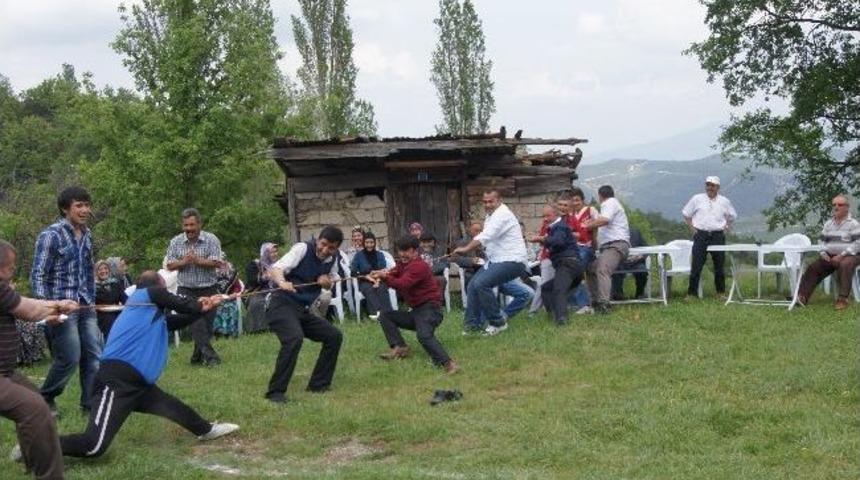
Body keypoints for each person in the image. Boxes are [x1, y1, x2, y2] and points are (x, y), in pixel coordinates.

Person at [59, 271, 239, 459]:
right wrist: (199, 304)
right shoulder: (149, 294)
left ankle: (206, 430)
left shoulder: (147, 314)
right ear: (158, 285)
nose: (167, 292)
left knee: (171, 406)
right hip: (116, 381)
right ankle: (37, 445)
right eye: (165, 288)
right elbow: (182, 304)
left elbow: (176, 320)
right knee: (93, 446)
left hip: (138, 384)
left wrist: (205, 308)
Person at [1, 239, 75, 480]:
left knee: (37, 401)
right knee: (35, 410)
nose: (13, 271)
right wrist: (59, 306)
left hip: (6, 373)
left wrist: (51, 310)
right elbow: (30, 310)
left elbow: (25, 308)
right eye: (12, 267)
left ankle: (32, 461)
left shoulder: (3, 291)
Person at [31, 186, 102, 416]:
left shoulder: (88, 234)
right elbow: (38, 274)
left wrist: (92, 298)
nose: (85, 210)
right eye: (79, 205)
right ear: (65, 209)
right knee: (70, 357)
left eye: (87, 205)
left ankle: (90, 406)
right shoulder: (50, 235)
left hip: (85, 304)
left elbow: (88, 271)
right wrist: (48, 308)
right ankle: (46, 398)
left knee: (94, 355)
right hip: (61, 307)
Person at [264, 226, 344, 404]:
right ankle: (275, 393)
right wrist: (283, 282)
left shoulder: (334, 259)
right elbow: (275, 269)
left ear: (336, 248)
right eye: (323, 244)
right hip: (281, 304)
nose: (325, 250)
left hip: (302, 310)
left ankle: (318, 385)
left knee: (334, 336)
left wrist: (326, 282)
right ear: (318, 240)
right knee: (294, 338)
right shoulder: (302, 248)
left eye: (331, 248)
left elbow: (330, 281)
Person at [371, 236, 459, 373]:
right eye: (400, 251)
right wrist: (381, 273)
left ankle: (448, 363)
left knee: (423, 336)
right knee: (385, 316)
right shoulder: (403, 264)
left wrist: (385, 277)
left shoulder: (419, 266)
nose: (402, 254)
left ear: (415, 251)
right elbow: (394, 273)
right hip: (417, 311)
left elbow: (403, 284)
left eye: (406, 251)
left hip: (431, 310)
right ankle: (400, 347)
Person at [453, 189, 531, 335]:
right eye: (485, 201)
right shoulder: (491, 216)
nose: (487, 204)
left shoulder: (503, 214)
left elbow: (485, 236)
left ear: (499, 200)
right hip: (496, 261)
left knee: (482, 283)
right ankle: (472, 326)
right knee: (472, 286)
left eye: (491, 201)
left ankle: (498, 322)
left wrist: (465, 249)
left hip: (513, 261)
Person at [165, 208, 223, 367]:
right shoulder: (175, 241)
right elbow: (169, 265)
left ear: (199, 224)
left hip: (209, 288)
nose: (188, 229)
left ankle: (196, 357)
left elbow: (217, 262)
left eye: (192, 225)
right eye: (185, 225)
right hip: (186, 289)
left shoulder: (212, 239)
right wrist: (183, 262)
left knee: (207, 326)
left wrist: (198, 261)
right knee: (196, 321)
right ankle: (212, 358)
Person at [796, 194, 860, 310]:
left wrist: (842, 255)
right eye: (834, 205)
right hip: (830, 256)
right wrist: (823, 253)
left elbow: (858, 244)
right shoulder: (828, 224)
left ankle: (843, 299)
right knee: (814, 267)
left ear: (847, 207)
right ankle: (801, 297)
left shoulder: (853, 224)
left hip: (851, 255)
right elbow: (821, 240)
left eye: (840, 205)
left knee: (845, 264)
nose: (836, 207)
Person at [682, 176, 737, 298]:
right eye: (708, 185)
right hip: (700, 234)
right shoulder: (697, 199)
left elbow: (732, 215)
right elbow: (686, 213)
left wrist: (726, 226)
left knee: (719, 266)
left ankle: (720, 293)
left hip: (717, 235)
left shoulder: (724, 201)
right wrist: (692, 228)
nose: (709, 188)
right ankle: (691, 294)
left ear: (718, 187)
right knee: (696, 265)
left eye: (712, 185)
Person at [582, 185, 630, 314]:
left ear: (600, 196)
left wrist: (586, 226)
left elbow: (604, 220)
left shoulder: (609, 202)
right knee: (590, 268)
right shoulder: (613, 204)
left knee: (602, 269)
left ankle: (604, 304)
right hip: (610, 246)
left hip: (616, 245)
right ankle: (595, 301)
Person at [534, 208, 584, 325]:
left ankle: (562, 319)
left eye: (548, 216)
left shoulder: (559, 226)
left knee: (558, 289)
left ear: (556, 215)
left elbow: (559, 241)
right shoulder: (555, 228)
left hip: (568, 264)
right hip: (572, 266)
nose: (545, 219)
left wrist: (542, 239)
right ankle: (553, 315)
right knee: (546, 288)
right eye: (543, 216)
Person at [567, 188, 599, 314]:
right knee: (578, 273)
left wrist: (595, 242)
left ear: (582, 200)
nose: (575, 203)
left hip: (587, 247)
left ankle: (584, 304)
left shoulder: (590, 210)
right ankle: (581, 302)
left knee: (576, 271)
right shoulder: (571, 216)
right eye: (573, 201)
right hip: (574, 248)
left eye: (577, 200)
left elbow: (598, 224)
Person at [349, 232, 394, 319]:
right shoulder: (358, 256)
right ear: (363, 243)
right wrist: (366, 276)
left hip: (379, 279)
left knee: (382, 288)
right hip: (364, 281)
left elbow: (383, 268)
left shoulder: (380, 255)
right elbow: (353, 272)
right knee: (370, 289)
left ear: (374, 243)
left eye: (371, 242)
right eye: (367, 242)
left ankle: (389, 313)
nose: (369, 245)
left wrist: (376, 275)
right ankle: (377, 314)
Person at [611, 227, 648, 300]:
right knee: (615, 270)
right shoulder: (613, 234)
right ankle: (618, 294)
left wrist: (640, 256)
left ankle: (639, 293)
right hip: (620, 262)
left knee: (642, 270)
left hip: (635, 262)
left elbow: (646, 249)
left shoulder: (635, 232)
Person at [94, 260, 127, 339]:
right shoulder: (93, 287)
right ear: (96, 272)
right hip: (102, 316)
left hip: (117, 313)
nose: (103, 271)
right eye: (100, 269)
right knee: (109, 321)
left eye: (105, 268)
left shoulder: (115, 284)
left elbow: (125, 299)